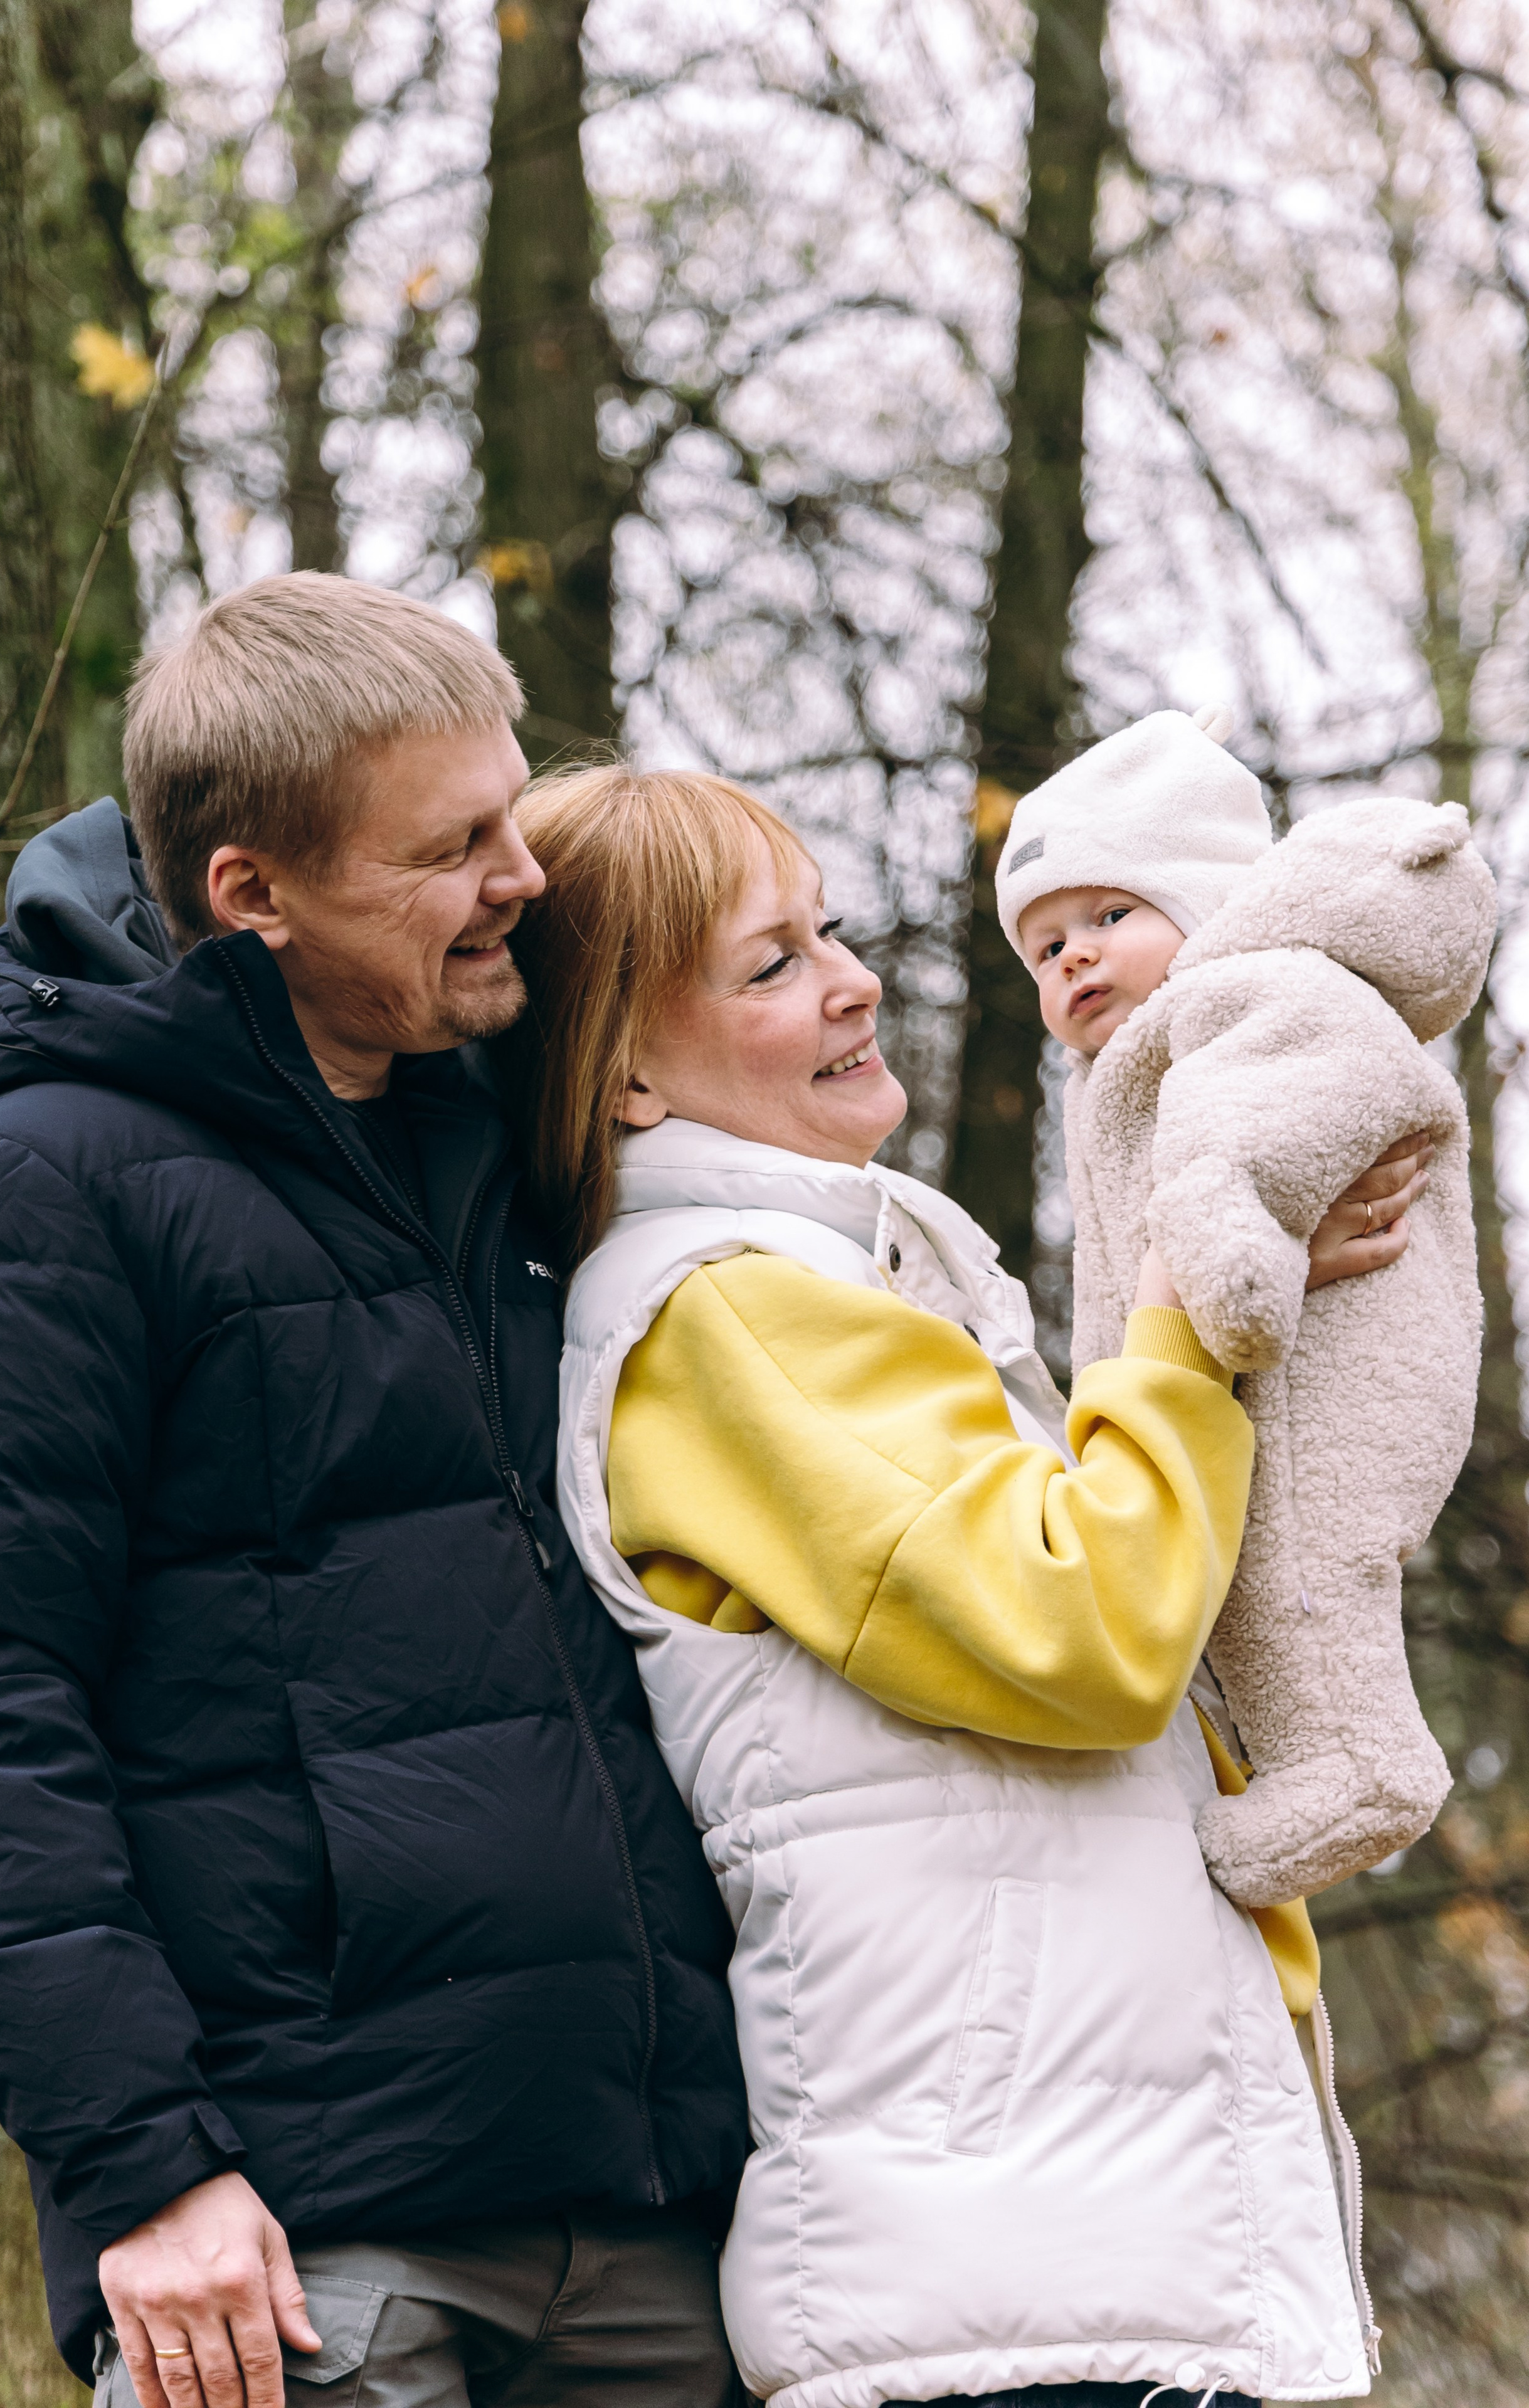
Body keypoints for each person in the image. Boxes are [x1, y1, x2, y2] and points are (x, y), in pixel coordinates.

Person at [499, 763, 1430, 2408]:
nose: (854, 980)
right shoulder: (732, 1321)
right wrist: (1183, 1283)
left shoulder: (835, 1291)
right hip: (1012, 2293)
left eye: (831, 930)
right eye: (772, 964)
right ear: (624, 1069)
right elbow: (1092, 1623)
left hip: (1076, 2254)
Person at [0, 576, 748, 2408]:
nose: (519, 874)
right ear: (253, 898)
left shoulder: (503, 1122)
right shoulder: (31, 1188)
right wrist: (145, 2165)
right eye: (450, 847)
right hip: (299, 2249)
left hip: (643, 2208)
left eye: (510, 813)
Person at [995, 710, 1491, 1908]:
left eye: (1111, 916)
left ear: (1212, 903)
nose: (1072, 959)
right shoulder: (1123, 1072)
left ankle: (1367, 1772)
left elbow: (1288, 1116)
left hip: (1332, 1379)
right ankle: (1291, 1760)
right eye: (1045, 944)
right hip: (1233, 1390)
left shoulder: (1269, 991)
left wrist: (1232, 1229)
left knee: (1305, 1574)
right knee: (1233, 1588)